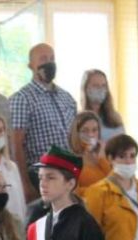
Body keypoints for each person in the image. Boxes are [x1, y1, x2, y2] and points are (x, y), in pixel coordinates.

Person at [9, 44, 78, 201]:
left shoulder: (67, 98)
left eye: (52, 58)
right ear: (31, 66)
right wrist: (24, 184)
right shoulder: (22, 99)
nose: (49, 63)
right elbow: (15, 145)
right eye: (43, 59)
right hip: (41, 177)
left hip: (68, 175)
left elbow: (75, 139)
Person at [68, 111, 112, 195]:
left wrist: (102, 159)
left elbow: (116, 184)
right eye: (85, 131)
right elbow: (75, 193)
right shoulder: (71, 161)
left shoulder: (105, 156)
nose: (90, 135)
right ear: (77, 134)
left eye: (94, 130)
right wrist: (100, 190)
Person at [80, 69, 124, 142]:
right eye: (95, 86)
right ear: (86, 89)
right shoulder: (78, 119)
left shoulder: (115, 117)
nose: (100, 89)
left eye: (103, 86)